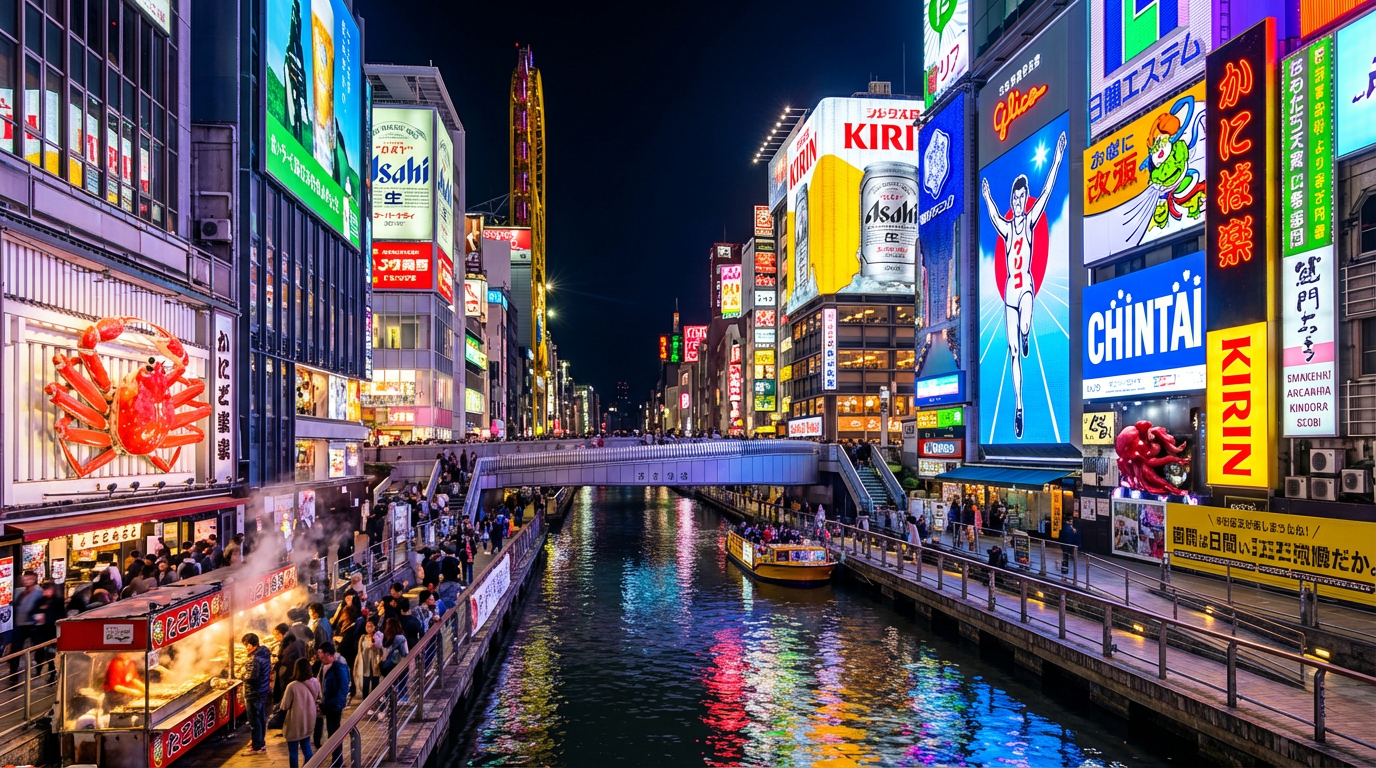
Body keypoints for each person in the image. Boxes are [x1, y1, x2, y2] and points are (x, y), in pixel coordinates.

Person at [980, 128, 1067, 439]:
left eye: (1021, 197)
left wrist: (1056, 158)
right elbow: (991, 216)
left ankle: (1028, 334)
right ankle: (1019, 405)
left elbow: (1046, 191)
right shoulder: (1006, 226)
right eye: (1015, 197)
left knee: (1026, 328)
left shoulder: (1029, 221)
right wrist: (988, 197)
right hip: (1009, 295)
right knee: (1013, 351)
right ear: (1011, 200)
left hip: (1026, 286)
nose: (1018, 201)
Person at [281, 657, 319, 768]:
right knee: (306, 745)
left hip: (295, 722)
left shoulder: (292, 686)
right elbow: (318, 696)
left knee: (293, 751)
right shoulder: (315, 682)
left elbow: (284, 706)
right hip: (309, 719)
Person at [314, 641, 349, 760]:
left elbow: (343, 688)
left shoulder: (339, 667)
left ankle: (337, 761)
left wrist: (336, 705)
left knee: (334, 734)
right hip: (326, 705)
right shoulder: (324, 665)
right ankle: (335, 759)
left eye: (321, 653)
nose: (319, 656)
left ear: (328, 654)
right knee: (330, 733)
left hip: (333, 707)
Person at [241, 633, 273, 756]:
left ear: (252, 644)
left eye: (247, 645)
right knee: (261, 718)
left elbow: (251, 677)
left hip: (254, 693)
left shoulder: (253, 659)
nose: (246, 648)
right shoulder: (264, 652)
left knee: (254, 721)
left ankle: (257, 746)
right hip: (263, 689)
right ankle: (259, 741)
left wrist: (241, 675)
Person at [9, 571, 40, 676]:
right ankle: (13, 674)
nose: (27, 581)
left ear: (34, 579)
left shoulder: (39, 591)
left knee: (39, 648)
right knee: (15, 650)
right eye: (25, 579)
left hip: (33, 625)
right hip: (19, 625)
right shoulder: (18, 592)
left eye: (30, 579)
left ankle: (39, 668)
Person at [273, 622, 307, 704]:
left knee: (287, 695)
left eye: (275, 635)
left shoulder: (289, 646)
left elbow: (286, 663)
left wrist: (278, 664)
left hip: (289, 675)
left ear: (280, 634)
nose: (275, 638)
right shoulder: (293, 639)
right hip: (295, 672)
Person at [353, 618, 383, 698]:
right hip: (365, 664)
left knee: (375, 684)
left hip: (375, 664)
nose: (369, 628)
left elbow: (380, 647)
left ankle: (374, 702)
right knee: (365, 684)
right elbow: (360, 650)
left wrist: (374, 640)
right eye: (367, 626)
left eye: (371, 626)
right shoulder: (363, 637)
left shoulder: (378, 636)